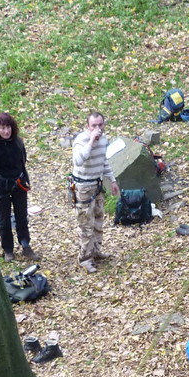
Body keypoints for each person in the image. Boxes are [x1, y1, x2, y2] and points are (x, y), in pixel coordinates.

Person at [0, 112, 35, 262]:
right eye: (3, 128)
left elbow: (22, 161)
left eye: (9, 127)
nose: (6, 131)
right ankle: (8, 250)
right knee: (4, 220)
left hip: (19, 185)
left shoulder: (18, 143)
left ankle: (25, 245)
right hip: (0, 189)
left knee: (22, 217)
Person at [71, 111, 121, 273]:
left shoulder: (104, 140)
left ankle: (96, 251)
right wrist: (91, 141)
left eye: (100, 125)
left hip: (97, 185)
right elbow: (78, 160)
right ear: (87, 126)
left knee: (98, 219)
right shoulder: (81, 141)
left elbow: (104, 161)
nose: (97, 128)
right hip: (83, 188)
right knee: (86, 224)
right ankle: (85, 258)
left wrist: (112, 180)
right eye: (94, 125)